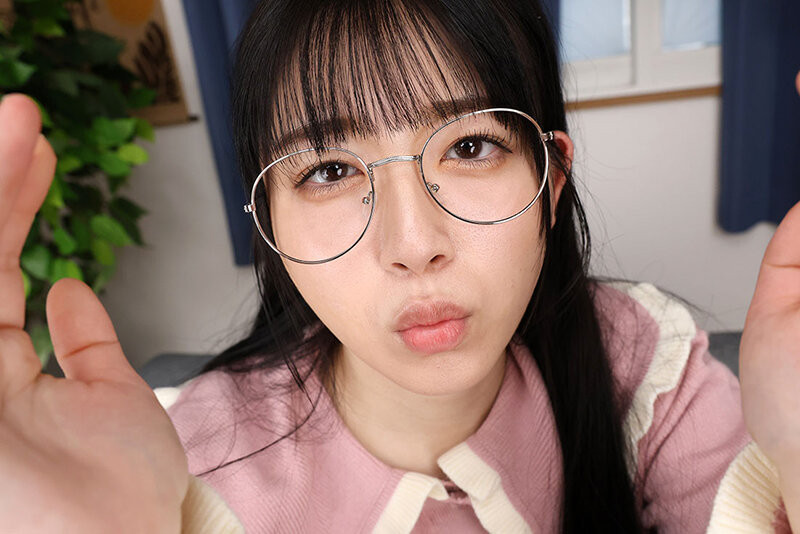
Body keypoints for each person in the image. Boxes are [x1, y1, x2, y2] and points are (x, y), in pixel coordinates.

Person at [0, 0, 798, 532]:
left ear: (551, 183)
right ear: (267, 225)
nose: (414, 244)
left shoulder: (646, 366)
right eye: (329, 171)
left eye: (472, 146)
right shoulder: (189, 470)